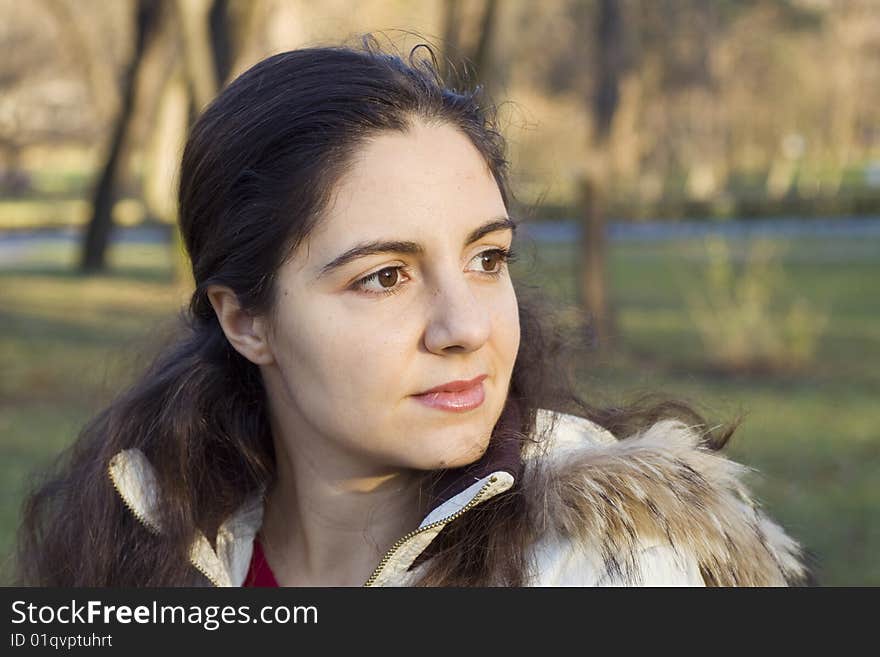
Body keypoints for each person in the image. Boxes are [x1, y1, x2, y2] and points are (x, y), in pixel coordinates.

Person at [16, 37, 808, 587]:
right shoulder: (147, 540)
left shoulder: (608, 566)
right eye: (387, 276)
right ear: (245, 320)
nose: (465, 327)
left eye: (487, 259)